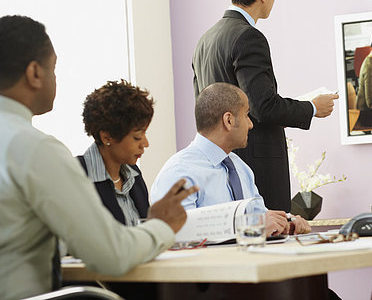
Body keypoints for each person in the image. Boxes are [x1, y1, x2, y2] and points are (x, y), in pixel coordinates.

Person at [0, 15, 198, 300]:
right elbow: (111, 255)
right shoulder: (35, 150)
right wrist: (162, 226)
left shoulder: (133, 176)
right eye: (53, 68)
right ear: (34, 73)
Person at [192, 0, 338, 212]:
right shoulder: (249, 37)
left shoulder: (205, 40)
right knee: (270, 239)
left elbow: (203, 108)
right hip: (255, 165)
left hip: (217, 164)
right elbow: (263, 107)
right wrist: (312, 108)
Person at [151, 82, 311, 236]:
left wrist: (285, 224)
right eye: (247, 115)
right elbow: (179, 233)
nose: (251, 124)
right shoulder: (180, 172)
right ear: (228, 120)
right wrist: (251, 227)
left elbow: (259, 217)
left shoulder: (241, 167)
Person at [78, 80, 154, 226]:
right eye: (137, 136)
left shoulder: (134, 174)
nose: (145, 144)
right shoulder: (77, 177)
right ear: (107, 137)